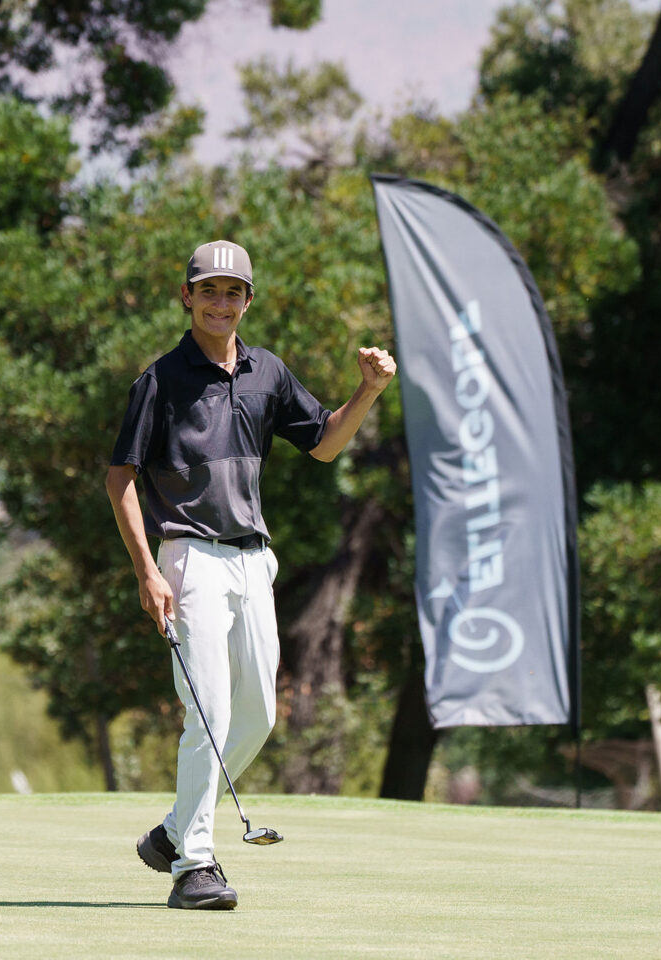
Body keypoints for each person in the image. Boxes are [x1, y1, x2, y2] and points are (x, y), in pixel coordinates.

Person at [105, 240, 396, 911]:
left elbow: (324, 443)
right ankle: (194, 865)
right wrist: (147, 570)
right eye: (208, 290)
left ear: (248, 301)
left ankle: (174, 831)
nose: (220, 302)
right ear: (187, 296)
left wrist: (370, 390)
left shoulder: (268, 372)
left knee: (258, 714)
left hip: (252, 558)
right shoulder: (160, 381)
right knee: (207, 709)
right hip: (189, 556)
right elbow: (120, 478)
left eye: (232, 291)